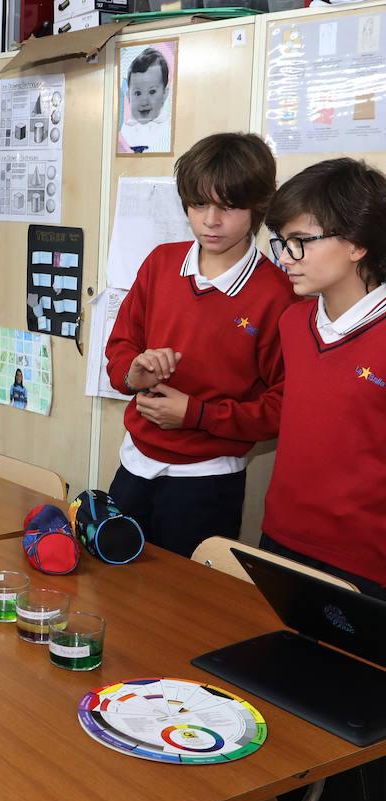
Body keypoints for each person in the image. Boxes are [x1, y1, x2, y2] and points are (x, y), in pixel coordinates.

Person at [105, 133, 296, 558]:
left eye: (227, 207)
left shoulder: (277, 294)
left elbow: (283, 407)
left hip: (207, 480)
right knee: (114, 587)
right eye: (197, 205)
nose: (210, 220)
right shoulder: (160, 262)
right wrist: (132, 372)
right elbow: (120, 345)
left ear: (257, 208)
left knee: (183, 611)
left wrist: (198, 414)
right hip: (134, 463)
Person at [262, 158, 386, 597]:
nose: (285, 259)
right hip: (282, 538)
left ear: (356, 243)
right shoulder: (293, 323)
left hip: (366, 564)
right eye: (281, 243)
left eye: (300, 242)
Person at [120, 47, 171, 154]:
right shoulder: (125, 131)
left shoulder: (167, 130)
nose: (144, 101)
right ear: (129, 95)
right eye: (137, 93)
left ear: (165, 94)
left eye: (152, 92)